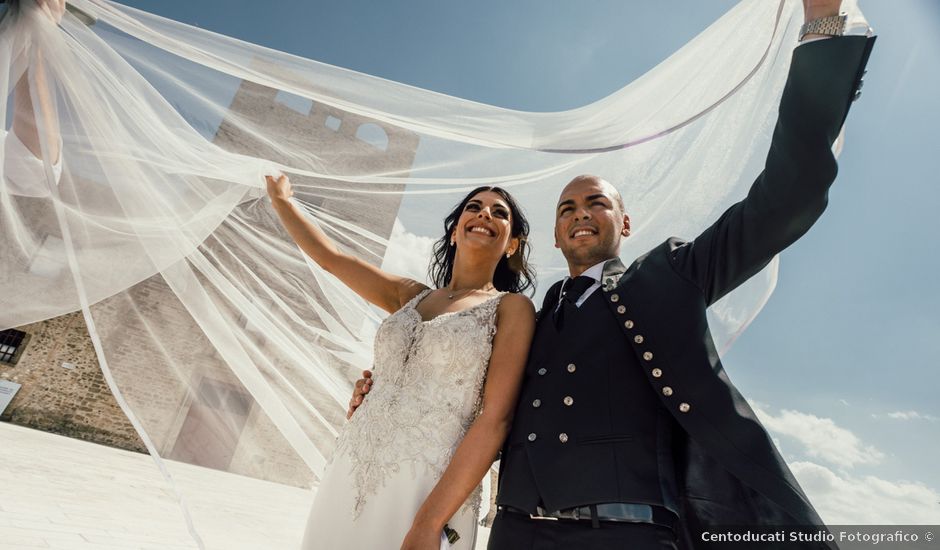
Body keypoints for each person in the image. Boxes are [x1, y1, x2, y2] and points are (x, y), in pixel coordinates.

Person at [350, 1, 876, 548]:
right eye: (566, 206)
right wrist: (382, 392)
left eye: (595, 202)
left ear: (624, 221)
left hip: (630, 535)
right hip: (513, 534)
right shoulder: (523, 315)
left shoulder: (675, 273)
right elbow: (470, 398)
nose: (579, 212)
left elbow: (784, 198)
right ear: (554, 235)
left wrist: (821, 29)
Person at [265, 176, 537, 550]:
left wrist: (430, 521)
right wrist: (281, 202)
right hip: (351, 465)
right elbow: (332, 260)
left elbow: (496, 419)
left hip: (426, 481)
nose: (484, 214)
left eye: (499, 213)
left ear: (512, 244)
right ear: (455, 231)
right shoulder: (409, 295)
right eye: (473, 207)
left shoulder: (511, 309)